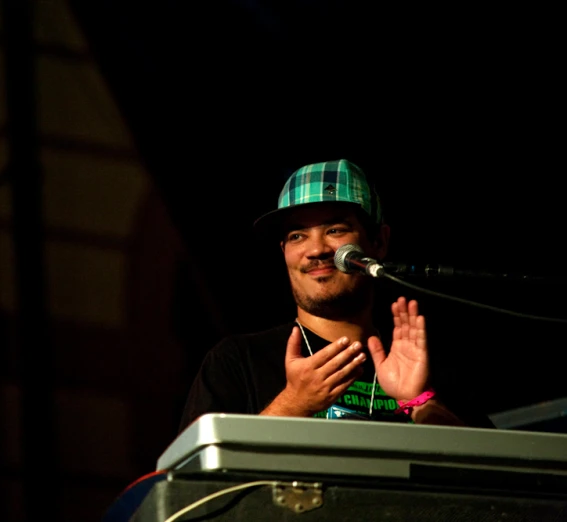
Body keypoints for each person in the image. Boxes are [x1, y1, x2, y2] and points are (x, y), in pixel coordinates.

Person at [179, 159, 494, 432]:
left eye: (335, 230)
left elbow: (500, 482)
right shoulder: (237, 361)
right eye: (297, 235)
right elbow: (192, 486)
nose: (315, 250)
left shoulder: (423, 364)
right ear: (284, 252)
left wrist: (420, 402)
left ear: (379, 242)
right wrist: (294, 405)